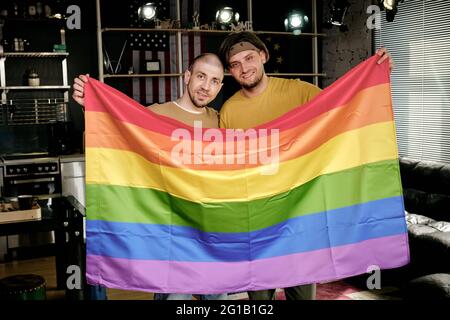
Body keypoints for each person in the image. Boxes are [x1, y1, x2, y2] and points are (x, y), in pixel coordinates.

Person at [218, 31, 393, 300]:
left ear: (263, 56)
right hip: (257, 221)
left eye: (249, 58)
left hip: (299, 220)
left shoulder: (299, 91)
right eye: (236, 64)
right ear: (230, 71)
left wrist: (374, 78)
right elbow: (228, 166)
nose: (245, 68)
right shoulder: (229, 110)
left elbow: (344, 107)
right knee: (259, 301)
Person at [72, 53, 228, 301]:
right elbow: (117, 134)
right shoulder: (155, 115)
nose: (206, 86)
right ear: (187, 76)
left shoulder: (221, 121)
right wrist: (90, 106)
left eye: (214, 81)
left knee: (221, 301)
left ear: (220, 86)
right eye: (201, 76)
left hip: (210, 236)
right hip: (171, 239)